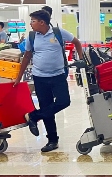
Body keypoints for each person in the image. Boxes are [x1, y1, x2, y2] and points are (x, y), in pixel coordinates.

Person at [16, 10, 84, 153]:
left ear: (42, 22)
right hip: (40, 77)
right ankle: (52, 140)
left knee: (64, 101)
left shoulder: (58, 32)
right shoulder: (32, 36)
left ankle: (33, 116)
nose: (31, 24)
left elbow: (76, 42)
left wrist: (81, 60)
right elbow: (27, 56)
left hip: (58, 75)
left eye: (33, 21)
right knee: (46, 107)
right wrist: (19, 77)